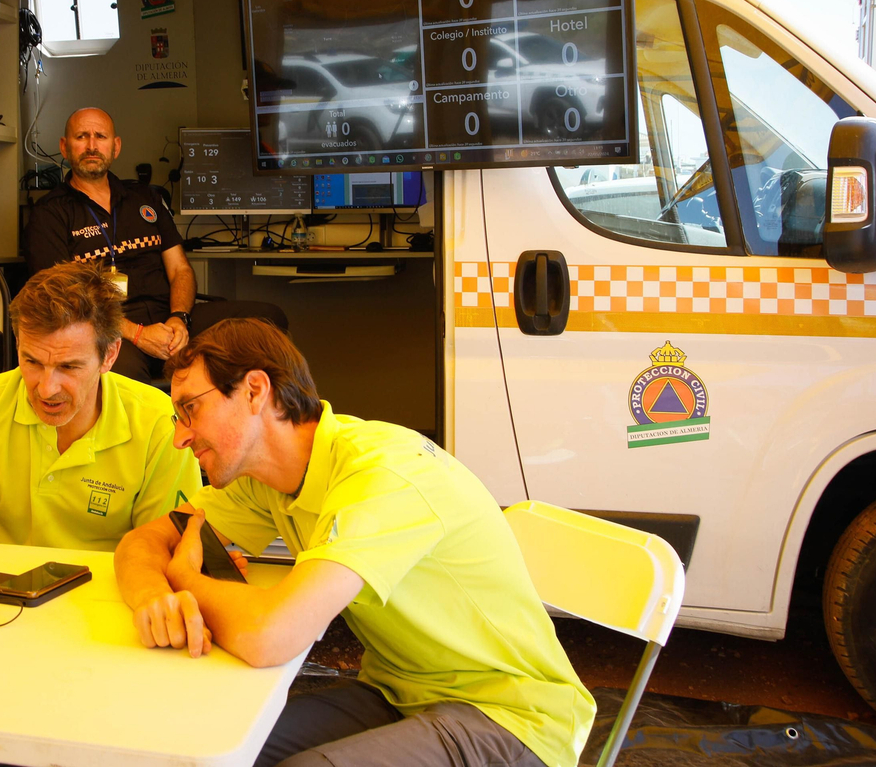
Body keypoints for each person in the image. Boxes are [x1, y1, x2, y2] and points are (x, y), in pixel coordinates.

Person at [114, 319, 596, 767]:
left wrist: (183, 579)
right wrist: (153, 597)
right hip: (396, 692)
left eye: (190, 410)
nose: (180, 436)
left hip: (509, 717)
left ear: (255, 390)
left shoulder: (381, 474)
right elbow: (145, 540)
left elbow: (269, 636)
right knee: (211, 746)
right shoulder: (263, 479)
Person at [0, 260, 199, 549]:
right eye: (31, 362)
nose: (46, 389)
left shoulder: (159, 423)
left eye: (69, 367)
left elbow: (173, 551)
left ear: (110, 355)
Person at [25, 107, 287, 384]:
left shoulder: (145, 198)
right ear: (65, 147)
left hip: (170, 317)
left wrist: (179, 319)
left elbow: (180, 270)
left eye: (100, 136)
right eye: (82, 136)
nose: (92, 145)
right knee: (121, 378)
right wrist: (138, 334)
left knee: (268, 319)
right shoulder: (49, 214)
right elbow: (63, 298)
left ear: (116, 147)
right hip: (111, 328)